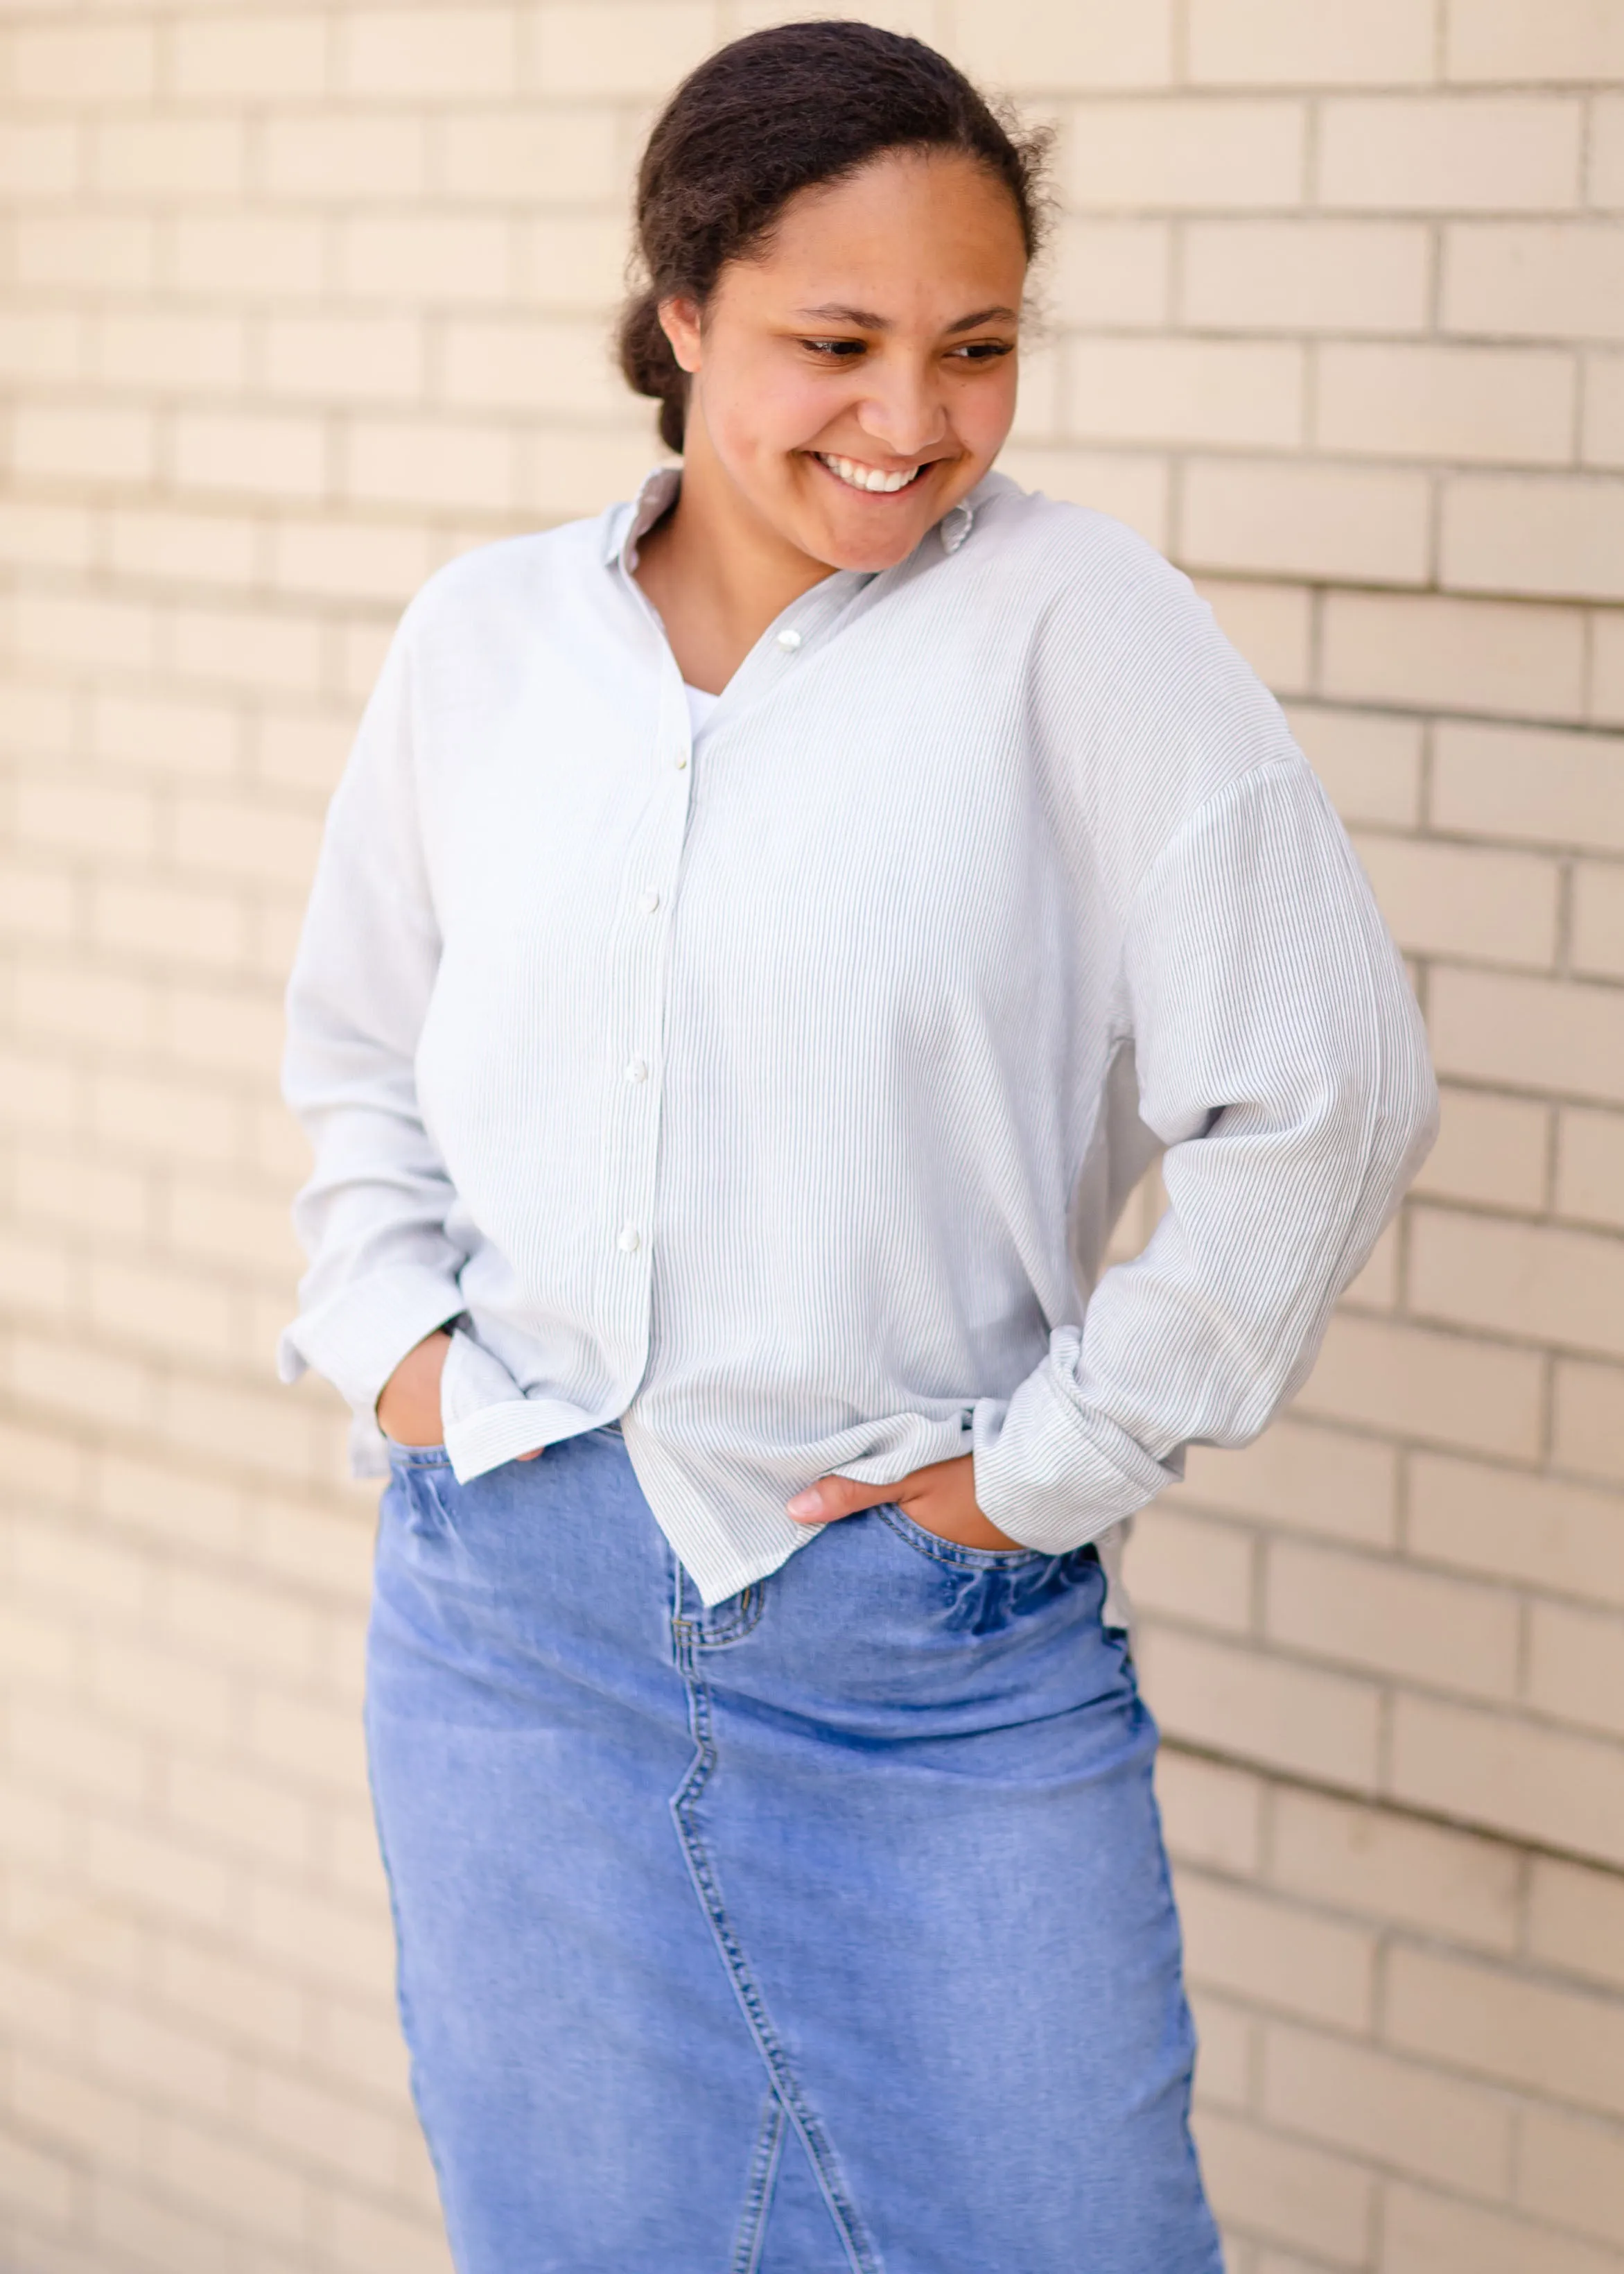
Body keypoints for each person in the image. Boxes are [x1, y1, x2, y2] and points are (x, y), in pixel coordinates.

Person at [278, 21, 1437, 2274]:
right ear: (682, 307)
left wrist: (1056, 1464)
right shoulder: (484, 643)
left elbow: (1332, 1081)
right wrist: (394, 1343)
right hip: (506, 1635)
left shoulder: (1074, 625)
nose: (912, 421)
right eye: (836, 341)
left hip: (927, 1665)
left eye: (976, 347)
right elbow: (356, 1052)